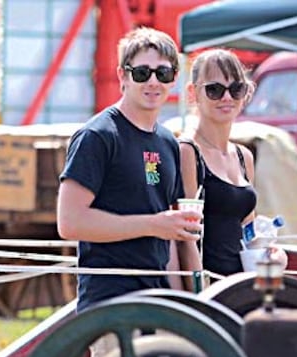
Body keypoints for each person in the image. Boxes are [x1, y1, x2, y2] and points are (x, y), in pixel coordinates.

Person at [57, 27, 201, 314]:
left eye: (163, 73)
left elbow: (169, 238)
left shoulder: (168, 142)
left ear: (174, 79)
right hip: (109, 305)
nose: (153, 82)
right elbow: (70, 222)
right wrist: (152, 224)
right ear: (123, 75)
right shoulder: (98, 136)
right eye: (141, 72)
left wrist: (178, 301)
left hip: (157, 303)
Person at [177, 48, 286, 283]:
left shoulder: (243, 156)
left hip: (242, 285)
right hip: (210, 287)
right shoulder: (187, 151)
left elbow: (248, 231)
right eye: (214, 90)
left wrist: (272, 252)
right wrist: (199, 295)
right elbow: (186, 240)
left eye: (236, 89)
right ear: (193, 93)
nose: (227, 98)